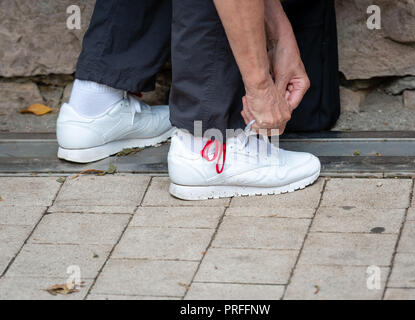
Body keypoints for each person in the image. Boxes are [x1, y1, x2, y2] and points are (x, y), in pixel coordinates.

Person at [57, 0, 340, 200]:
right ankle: (208, 141)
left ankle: (95, 101)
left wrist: (281, 38)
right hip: (209, 139)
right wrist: (261, 90)